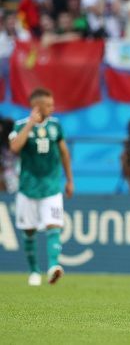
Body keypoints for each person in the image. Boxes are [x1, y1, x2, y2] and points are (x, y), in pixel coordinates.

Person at [8, 88, 74, 286]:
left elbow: (64, 153)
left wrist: (70, 180)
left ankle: (53, 266)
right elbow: (14, 148)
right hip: (28, 187)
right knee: (29, 231)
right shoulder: (20, 125)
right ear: (36, 106)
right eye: (48, 105)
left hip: (51, 186)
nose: (52, 108)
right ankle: (34, 271)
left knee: (54, 225)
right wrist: (30, 124)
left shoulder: (56, 126)